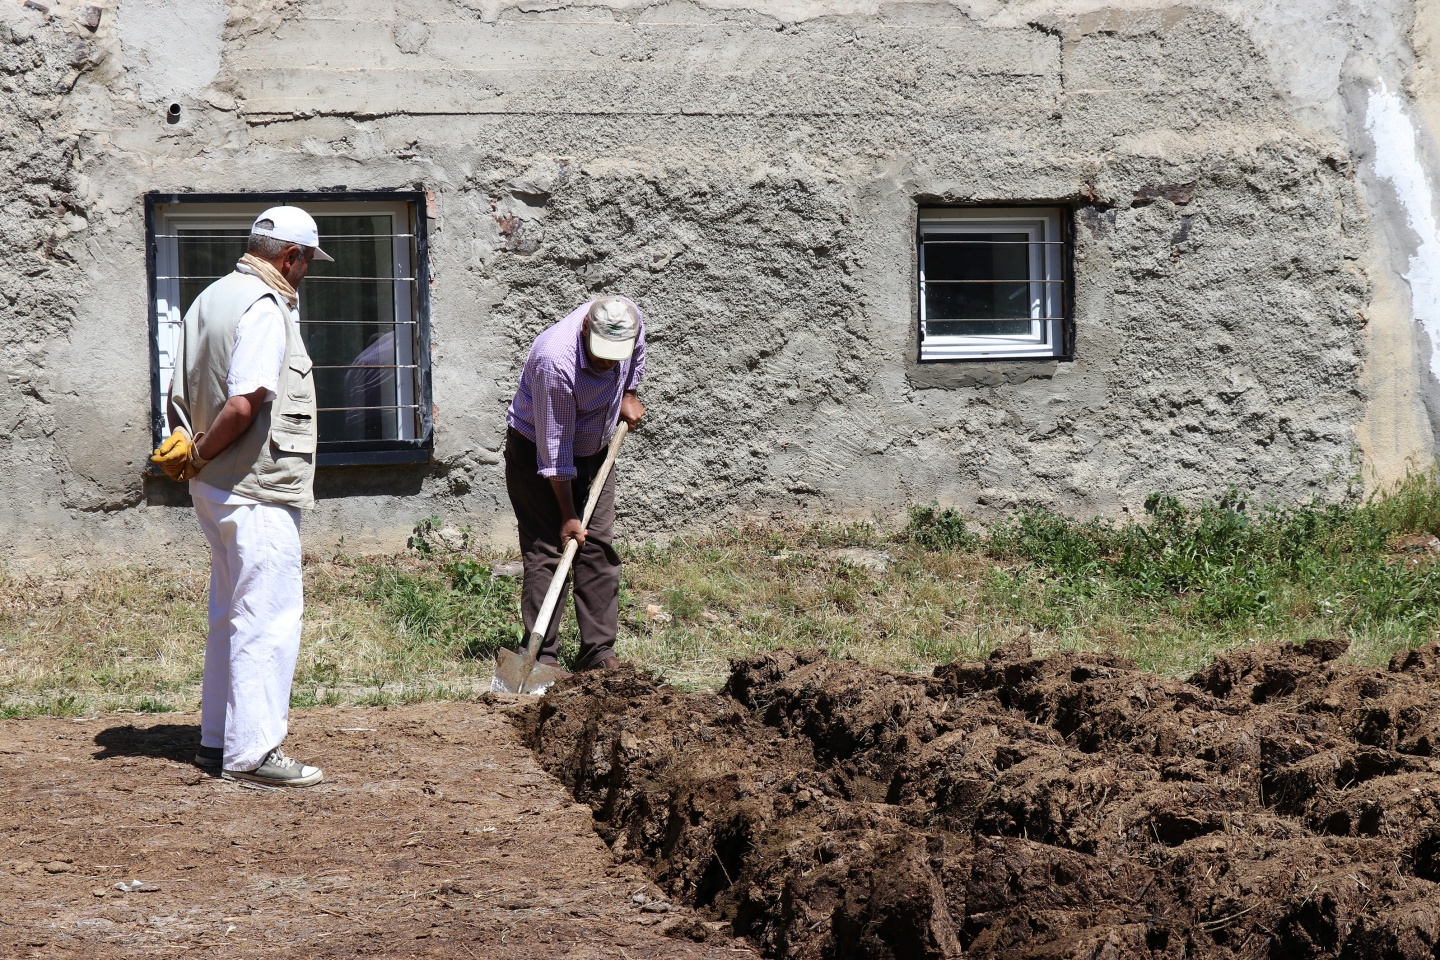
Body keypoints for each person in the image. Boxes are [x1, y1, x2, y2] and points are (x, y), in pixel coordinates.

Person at [150, 206, 331, 788]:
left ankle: (217, 739)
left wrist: (196, 457)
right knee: (267, 616)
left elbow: (180, 389)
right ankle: (253, 753)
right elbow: (243, 404)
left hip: (214, 485)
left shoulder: (212, 296)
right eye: (307, 262)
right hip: (255, 486)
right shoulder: (265, 307)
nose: (307, 272)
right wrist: (205, 452)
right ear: (291, 256)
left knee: (230, 614)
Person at [504, 296, 646, 673]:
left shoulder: (628, 318)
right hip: (538, 455)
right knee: (549, 548)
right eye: (601, 353)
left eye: (616, 354)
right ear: (586, 329)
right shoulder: (555, 361)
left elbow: (636, 354)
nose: (608, 362)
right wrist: (568, 514)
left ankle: (597, 652)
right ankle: (541, 657)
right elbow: (554, 450)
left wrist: (628, 393)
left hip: (595, 451)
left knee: (597, 547)